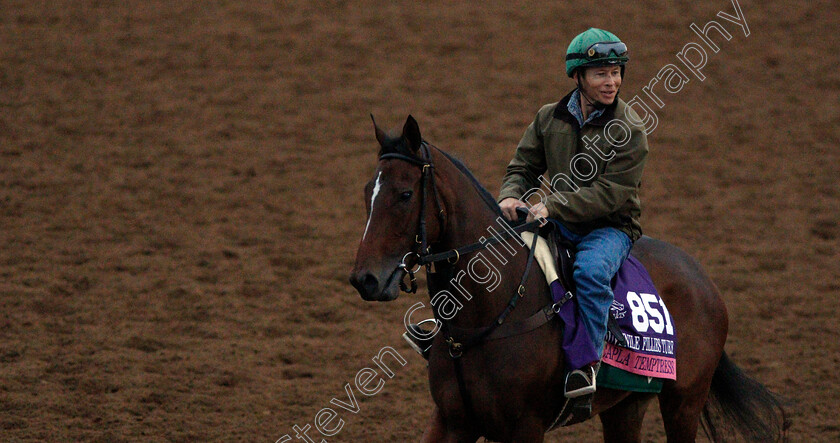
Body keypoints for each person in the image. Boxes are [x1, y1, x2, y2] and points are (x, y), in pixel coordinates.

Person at [497, 28, 649, 398]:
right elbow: (523, 167)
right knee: (498, 251)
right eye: (601, 73)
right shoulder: (549, 118)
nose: (611, 82)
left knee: (591, 271)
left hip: (610, 228)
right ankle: (446, 331)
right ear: (578, 76)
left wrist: (553, 205)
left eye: (616, 72)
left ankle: (586, 365)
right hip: (557, 220)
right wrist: (510, 196)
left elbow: (611, 194)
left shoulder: (630, 129)